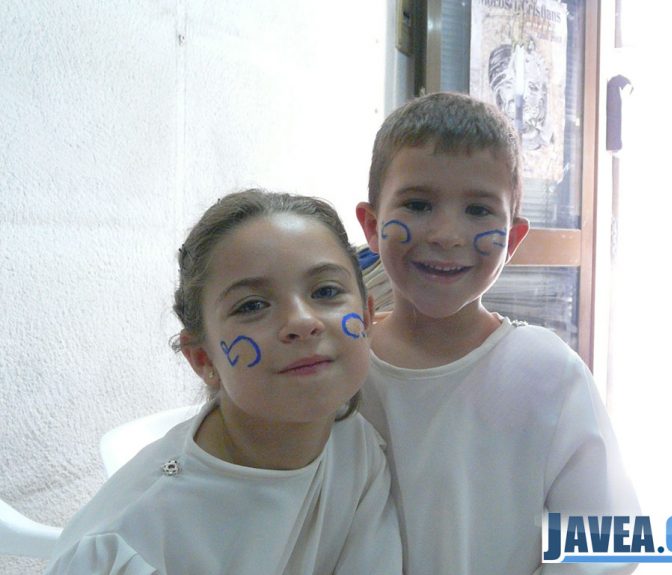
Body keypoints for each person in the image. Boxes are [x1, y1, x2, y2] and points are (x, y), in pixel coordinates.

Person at [45, 189, 402, 575]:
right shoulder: (127, 546)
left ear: (367, 318)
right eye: (252, 305)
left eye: (326, 291)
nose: (302, 321)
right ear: (203, 358)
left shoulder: (355, 444)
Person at [356, 92, 639, 574]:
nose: (446, 234)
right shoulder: (336, 370)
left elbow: (610, 546)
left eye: (479, 211)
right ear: (371, 224)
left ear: (513, 239)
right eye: (419, 203)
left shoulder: (548, 375)